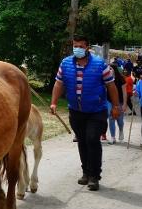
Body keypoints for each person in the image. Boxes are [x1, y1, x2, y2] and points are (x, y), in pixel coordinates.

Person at [50, 35, 119, 191]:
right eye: (75, 45)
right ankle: (86, 173)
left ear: (87, 48)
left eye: (81, 46)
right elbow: (59, 83)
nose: (78, 49)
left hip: (96, 111)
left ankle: (94, 176)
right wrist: (53, 102)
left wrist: (115, 106)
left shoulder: (100, 65)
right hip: (76, 111)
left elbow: (111, 86)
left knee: (92, 139)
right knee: (82, 140)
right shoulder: (66, 63)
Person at [106, 64, 127, 144]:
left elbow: (124, 93)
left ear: (114, 69)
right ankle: (113, 137)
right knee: (111, 118)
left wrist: (125, 104)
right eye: (108, 69)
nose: (109, 70)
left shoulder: (121, 79)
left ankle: (121, 130)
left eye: (110, 69)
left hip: (120, 102)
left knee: (120, 120)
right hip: (109, 101)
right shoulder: (106, 79)